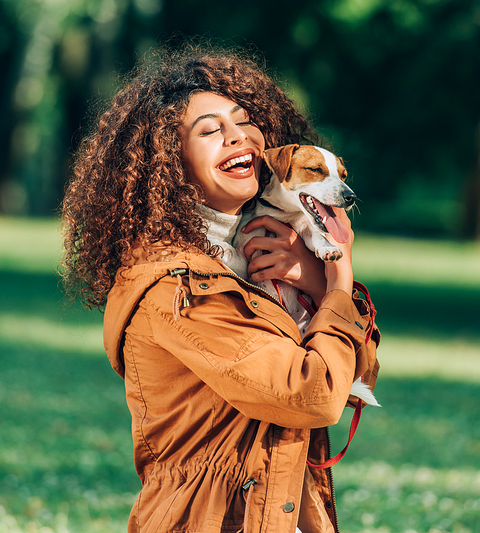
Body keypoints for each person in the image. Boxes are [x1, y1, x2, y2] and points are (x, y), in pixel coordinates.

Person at [61, 47, 379, 533]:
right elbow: (315, 393)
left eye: (244, 120)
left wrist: (314, 282)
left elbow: (362, 373)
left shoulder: (260, 246)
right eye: (210, 131)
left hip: (280, 510)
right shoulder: (177, 285)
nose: (238, 137)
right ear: (169, 162)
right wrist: (338, 280)